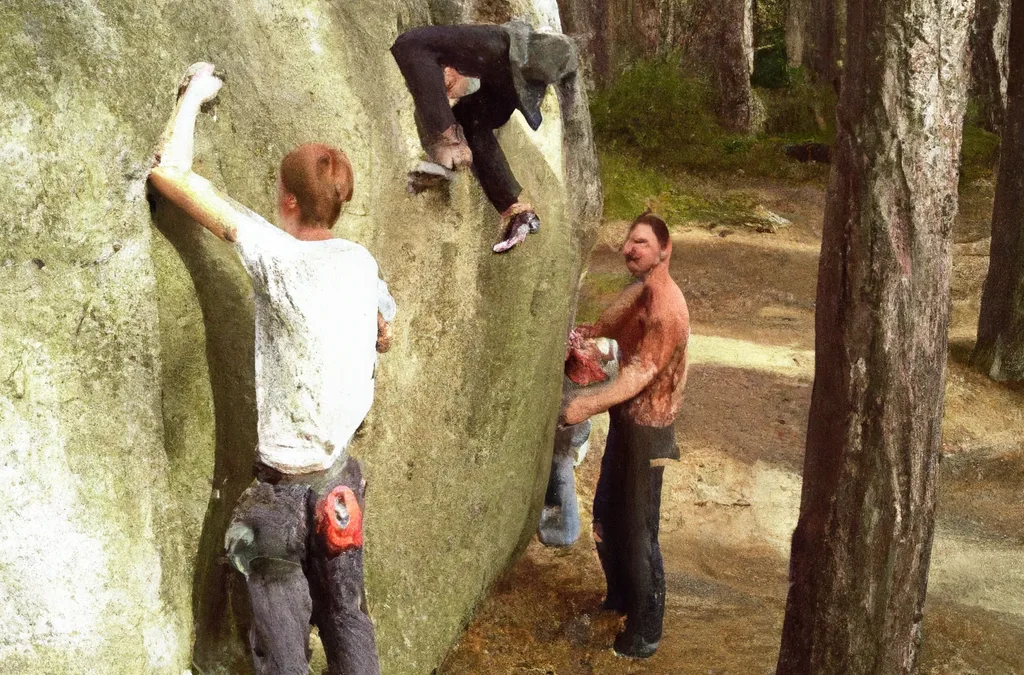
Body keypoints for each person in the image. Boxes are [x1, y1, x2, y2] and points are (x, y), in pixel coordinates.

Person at [148, 62, 394, 675]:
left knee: (282, 650)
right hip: (340, 483)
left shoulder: (275, 255)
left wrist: (195, 93)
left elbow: (168, 173)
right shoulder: (360, 263)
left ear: (286, 199)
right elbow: (386, 332)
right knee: (346, 617)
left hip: (282, 494)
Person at [560, 213, 690, 659]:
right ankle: (618, 598)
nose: (629, 249)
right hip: (624, 422)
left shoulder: (666, 309)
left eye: (641, 242)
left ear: (664, 250)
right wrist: (581, 341)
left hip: (649, 433)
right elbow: (601, 331)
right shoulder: (639, 293)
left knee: (638, 531)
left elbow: (637, 376)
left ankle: (645, 631)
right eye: (628, 242)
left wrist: (582, 405)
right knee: (605, 516)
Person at [390, 20, 578, 253]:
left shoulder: (488, 49)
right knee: (469, 118)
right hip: (515, 76)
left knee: (413, 44)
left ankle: (449, 145)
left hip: (509, 50)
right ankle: (515, 209)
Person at [539, 336, 618, 548]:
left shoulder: (602, 369)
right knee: (555, 474)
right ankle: (558, 527)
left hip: (568, 436)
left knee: (560, 469)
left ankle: (562, 530)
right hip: (565, 431)